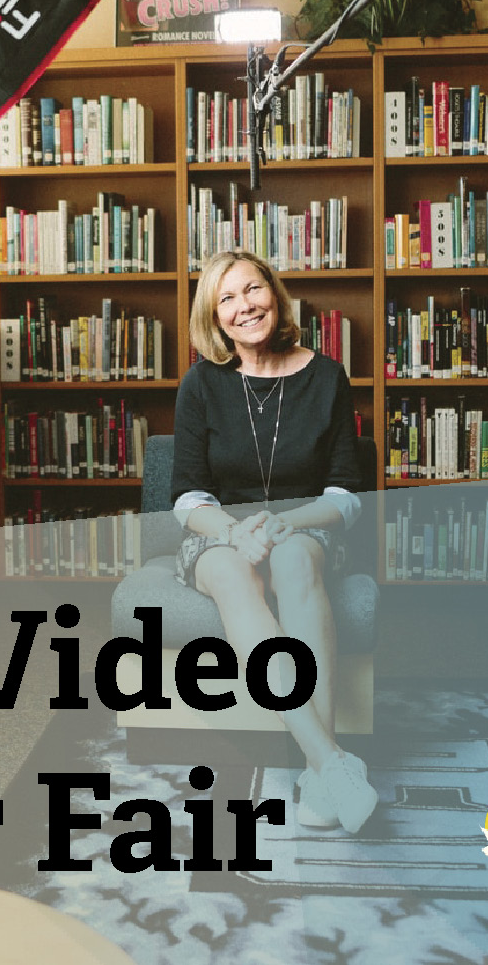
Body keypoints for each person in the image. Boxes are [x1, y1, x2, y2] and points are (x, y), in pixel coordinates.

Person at [170, 249, 380, 833]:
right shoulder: (201, 384)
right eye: (226, 299)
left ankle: (318, 767)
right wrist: (237, 531)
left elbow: (345, 495)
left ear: (275, 294)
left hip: (303, 526)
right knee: (237, 575)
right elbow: (188, 499)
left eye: (252, 289)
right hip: (219, 534)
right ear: (214, 318)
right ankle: (331, 763)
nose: (244, 307)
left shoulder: (326, 375)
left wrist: (288, 523)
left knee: (291, 561)